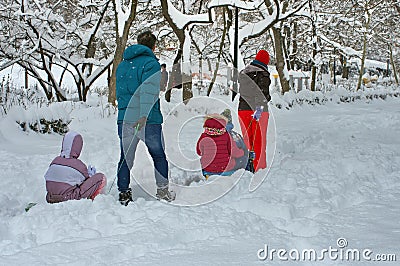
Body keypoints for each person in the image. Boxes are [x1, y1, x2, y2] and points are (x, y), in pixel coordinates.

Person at [116, 30, 175, 205]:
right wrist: (143, 115)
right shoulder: (151, 64)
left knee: (125, 157)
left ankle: (124, 192)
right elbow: (148, 91)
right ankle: (163, 191)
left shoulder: (123, 65)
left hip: (125, 118)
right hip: (148, 120)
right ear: (154, 46)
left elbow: (121, 92)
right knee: (158, 155)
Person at [44, 131, 107, 203]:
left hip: (51, 197)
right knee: (100, 177)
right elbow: (86, 181)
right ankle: (96, 199)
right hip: (68, 198)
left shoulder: (55, 161)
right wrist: (91, 175)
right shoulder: (78, 165)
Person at [237, 49, 271, 172]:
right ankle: (258, 167)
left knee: (247, 139)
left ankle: (246, 166)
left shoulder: (244, 74)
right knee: (259, 140)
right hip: (258, 111)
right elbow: (262, 95)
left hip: (242, 110)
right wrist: (260, 109)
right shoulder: (263, 74)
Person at [196, 113, 244, 179]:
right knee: (241, 159)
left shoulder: (203, 136)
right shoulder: (226, 135)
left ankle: (208, 177)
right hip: (225, 169)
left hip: (208, 169)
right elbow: (234, 152)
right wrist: (242, 152)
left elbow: (199, 152)